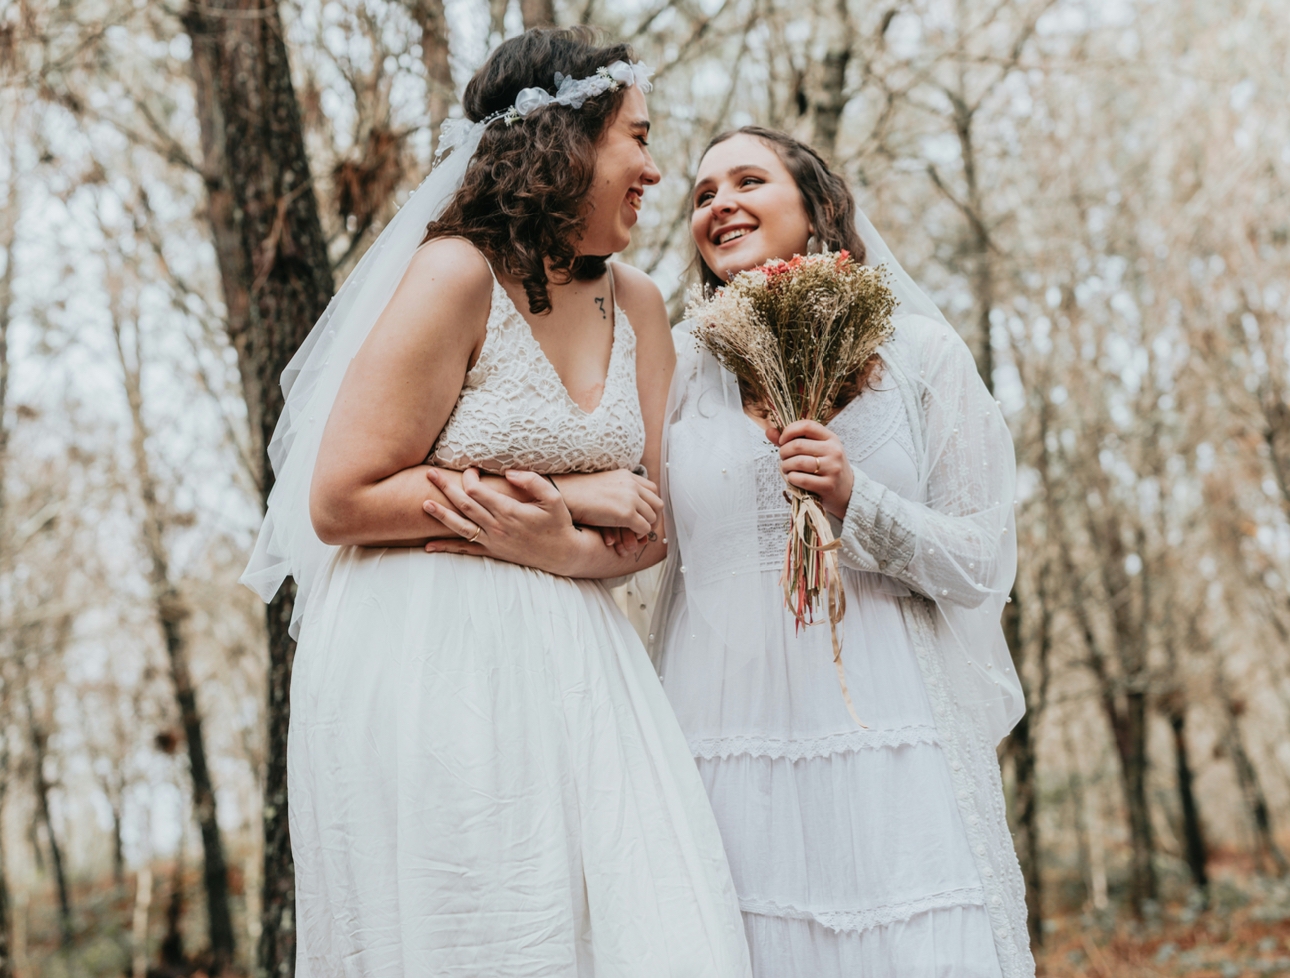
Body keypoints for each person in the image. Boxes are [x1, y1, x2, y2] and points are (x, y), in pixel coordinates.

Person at [241, 28, 751, 978]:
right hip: (433, 655)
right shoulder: (456, 274)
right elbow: (341, 498)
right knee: (480, 925)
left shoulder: (639, 304)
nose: (652, 164)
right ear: (566, 140)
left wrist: (563, 545)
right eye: (634, 136)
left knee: (648, 919)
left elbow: (649, 531)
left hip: (585, 655)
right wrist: (567, 494)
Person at [649, 127, 1035, 977]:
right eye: (702, 195)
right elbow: (643, 546)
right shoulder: (675, 368)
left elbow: (980, 562)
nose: (720, 205)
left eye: (748, 180)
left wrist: (859, 499)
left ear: (816, 206)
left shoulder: (922, 356)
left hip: (887, 726)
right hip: (719, 738)